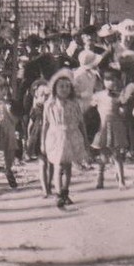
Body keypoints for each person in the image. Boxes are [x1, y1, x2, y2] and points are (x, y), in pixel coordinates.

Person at [41, 69, 90, 209]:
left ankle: (65, 191)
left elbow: (81, 123)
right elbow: (45, 124)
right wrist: (42, 143)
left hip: (71, 136)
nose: (64, 89)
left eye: (67, 86)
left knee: (68, 166)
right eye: (61, 86)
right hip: (56, 136)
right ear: (55, 88)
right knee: (58, 165)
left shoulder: (74, 104)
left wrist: (85, 140)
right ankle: (58, 193)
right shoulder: (49, 105)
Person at [91, 67, 128, 189]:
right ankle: (100, 178)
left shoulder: (119, 96)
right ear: (103, 81)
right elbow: (91, 109)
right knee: (103, 156)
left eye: (112, 80)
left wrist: (122, 110)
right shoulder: (98, 95)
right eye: (107, 80)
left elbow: (124, 111)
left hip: (115, 127)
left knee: (117, 155)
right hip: (103, 127)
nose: (110, 82)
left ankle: (121, 180)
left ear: (117, 81)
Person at [25, 79, 54, 197]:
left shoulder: (53, 109)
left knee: (51, 163)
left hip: (51, 137)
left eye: (47, 96)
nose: (45, 98)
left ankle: (49, 183)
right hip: (38, 137)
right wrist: (28, 138)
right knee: (42, 163)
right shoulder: (36, 109)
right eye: (42, 96)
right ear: (37, 96)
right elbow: (30, 125)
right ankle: (44, 189)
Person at [73, 49, 103, 143]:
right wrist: (82, 95)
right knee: (81, 129)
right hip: (80, 105)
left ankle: (88, 147)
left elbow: (98, 87)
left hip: (91, 105)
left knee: (91, 127)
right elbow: (71, 92)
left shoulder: (94, 73)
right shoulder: (77, 75)